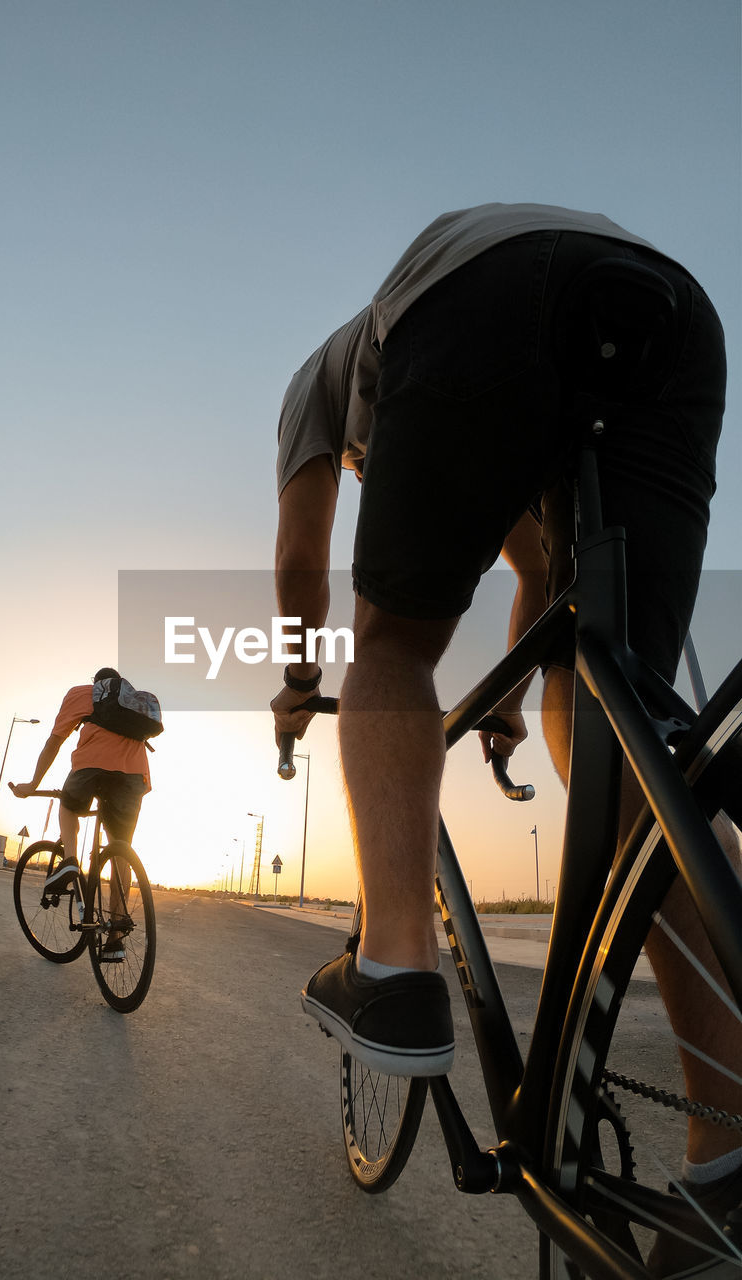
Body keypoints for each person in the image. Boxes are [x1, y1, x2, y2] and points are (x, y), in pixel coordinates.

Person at [271, 203, 737, 1264]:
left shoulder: (319, 376)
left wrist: (299, 679)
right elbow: (534, 572)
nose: (363, 477)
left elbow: (303, 562)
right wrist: (516, 714)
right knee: (622, 727)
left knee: (389, 649)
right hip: (675, 323)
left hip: (480, 292)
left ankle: (393, 966)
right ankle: (727, 1145)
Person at [10, 666, 152, 958]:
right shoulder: (132, 705)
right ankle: (115, 937)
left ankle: (71, 860)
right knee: (120, 849)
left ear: (97, 684)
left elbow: (55, 741)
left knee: (68, 804)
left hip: (92, 766)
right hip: (134, 777)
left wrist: (32, 783)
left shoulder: (82, 693)